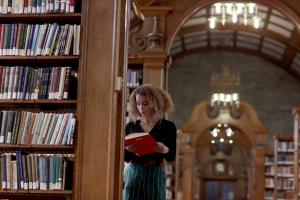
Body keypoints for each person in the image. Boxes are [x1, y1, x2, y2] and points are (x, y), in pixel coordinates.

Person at [124, 84, 177, 200]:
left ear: (155, 103)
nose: (141, 108)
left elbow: (172, 156)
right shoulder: (130, 126)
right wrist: (127, 150)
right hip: (133, 172)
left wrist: (165, 149)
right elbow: (125, 158)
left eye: (145, 103)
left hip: (155, 173)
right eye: (138, 103)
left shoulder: (168, 127)